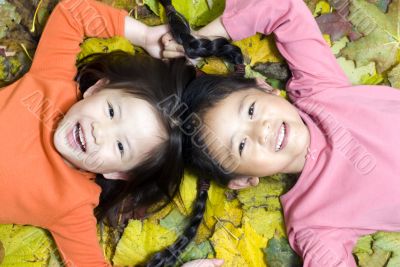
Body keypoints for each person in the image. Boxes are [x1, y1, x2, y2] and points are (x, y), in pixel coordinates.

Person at [161, 0, 400, 266]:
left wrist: (201, 39)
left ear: (265, 89)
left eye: (251, 110)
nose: (260, 130)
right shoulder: (314, 222)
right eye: (241, 145)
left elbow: (283, 7)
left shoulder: (318, 91)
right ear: (243, 179)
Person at [0, 0, 225, 266]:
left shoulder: (73, 205)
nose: (99, 133)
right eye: (110, 112)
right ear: (96, 89)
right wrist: (142, 34)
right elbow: (72, 13)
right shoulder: (52, 80)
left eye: (120, 147)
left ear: (118, 173)